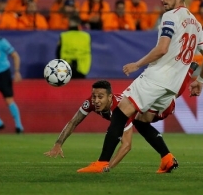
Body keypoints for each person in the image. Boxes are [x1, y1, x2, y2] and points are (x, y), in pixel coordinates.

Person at [77, 0, 203, 173]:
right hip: (174, 88)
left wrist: (137, 64)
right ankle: (167, 158)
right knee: (138, 118)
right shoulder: (196, 24)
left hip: (157, 77)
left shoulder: (170, 16)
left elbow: (162, 49)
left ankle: (101, 163)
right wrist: (200, 80)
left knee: (121, 111)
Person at [44, 61, 198, 169]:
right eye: (94, 97)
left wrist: (108, 167)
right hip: (144, 107)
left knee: (160, 105)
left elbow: (126, 145)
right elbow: (73, 122)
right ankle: (167, 158)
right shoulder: (90, 103)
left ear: (110, 98)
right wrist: (58, 143)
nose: (96, 101)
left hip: (159, 108)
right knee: (140, 122)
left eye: (100, 97)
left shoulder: (121, 109)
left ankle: (190, 70)